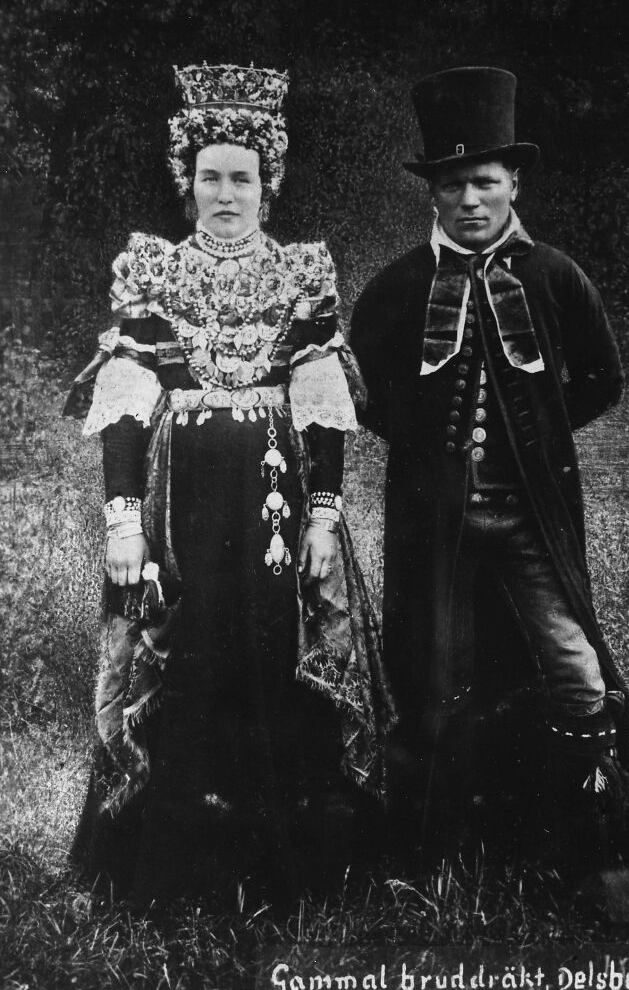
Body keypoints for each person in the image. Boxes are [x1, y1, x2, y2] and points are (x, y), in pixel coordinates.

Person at [66, 63, 395, 907]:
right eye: (209, 176)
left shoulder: (300, 278)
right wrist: (123, 522)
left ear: (267, 186)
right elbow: (129, 407)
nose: (225, 193)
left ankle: (285, 871)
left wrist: (325, 516)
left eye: (241, 178)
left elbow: (323, 409)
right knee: (178, 653)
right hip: (181, 506)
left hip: (274, 512)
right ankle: (169, 874)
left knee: (276, 652)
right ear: (187, 182)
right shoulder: (154, 274)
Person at [349, 67, 629, 921]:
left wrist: (534, 441)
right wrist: (428, 458)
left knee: (575, 668)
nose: (471, 199)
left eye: (486, 181)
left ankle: (601, 856)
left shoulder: (557, 277)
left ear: (514, 183)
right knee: (432, 678)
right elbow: (366, 394)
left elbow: (599, 380)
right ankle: (430, 860)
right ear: (435, 193)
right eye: (454, 184)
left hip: (531, 522)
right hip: (435, 522)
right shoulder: (399, 287)